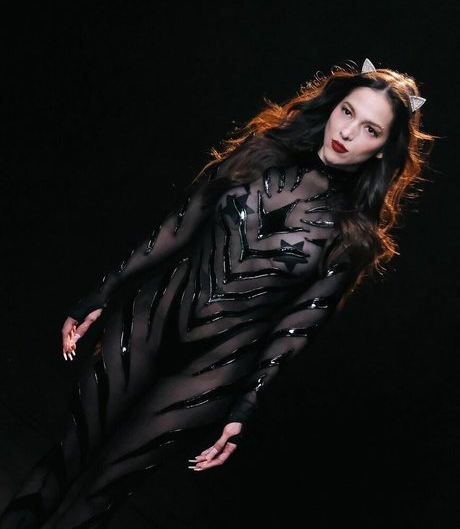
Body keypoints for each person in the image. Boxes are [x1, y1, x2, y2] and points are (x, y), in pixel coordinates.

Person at [0, 58, 434, 528]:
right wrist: (102, 294)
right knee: (65, 456)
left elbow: (296, 328)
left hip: (214, 370)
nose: (348, 132)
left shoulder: (353, 237)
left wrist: (245, 405)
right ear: (332, 106)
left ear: (383, 150)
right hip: (148, 323)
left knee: (103, 493)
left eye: (370, 129)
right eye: (347, 112)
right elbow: (177, 226)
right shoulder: (262, 152)